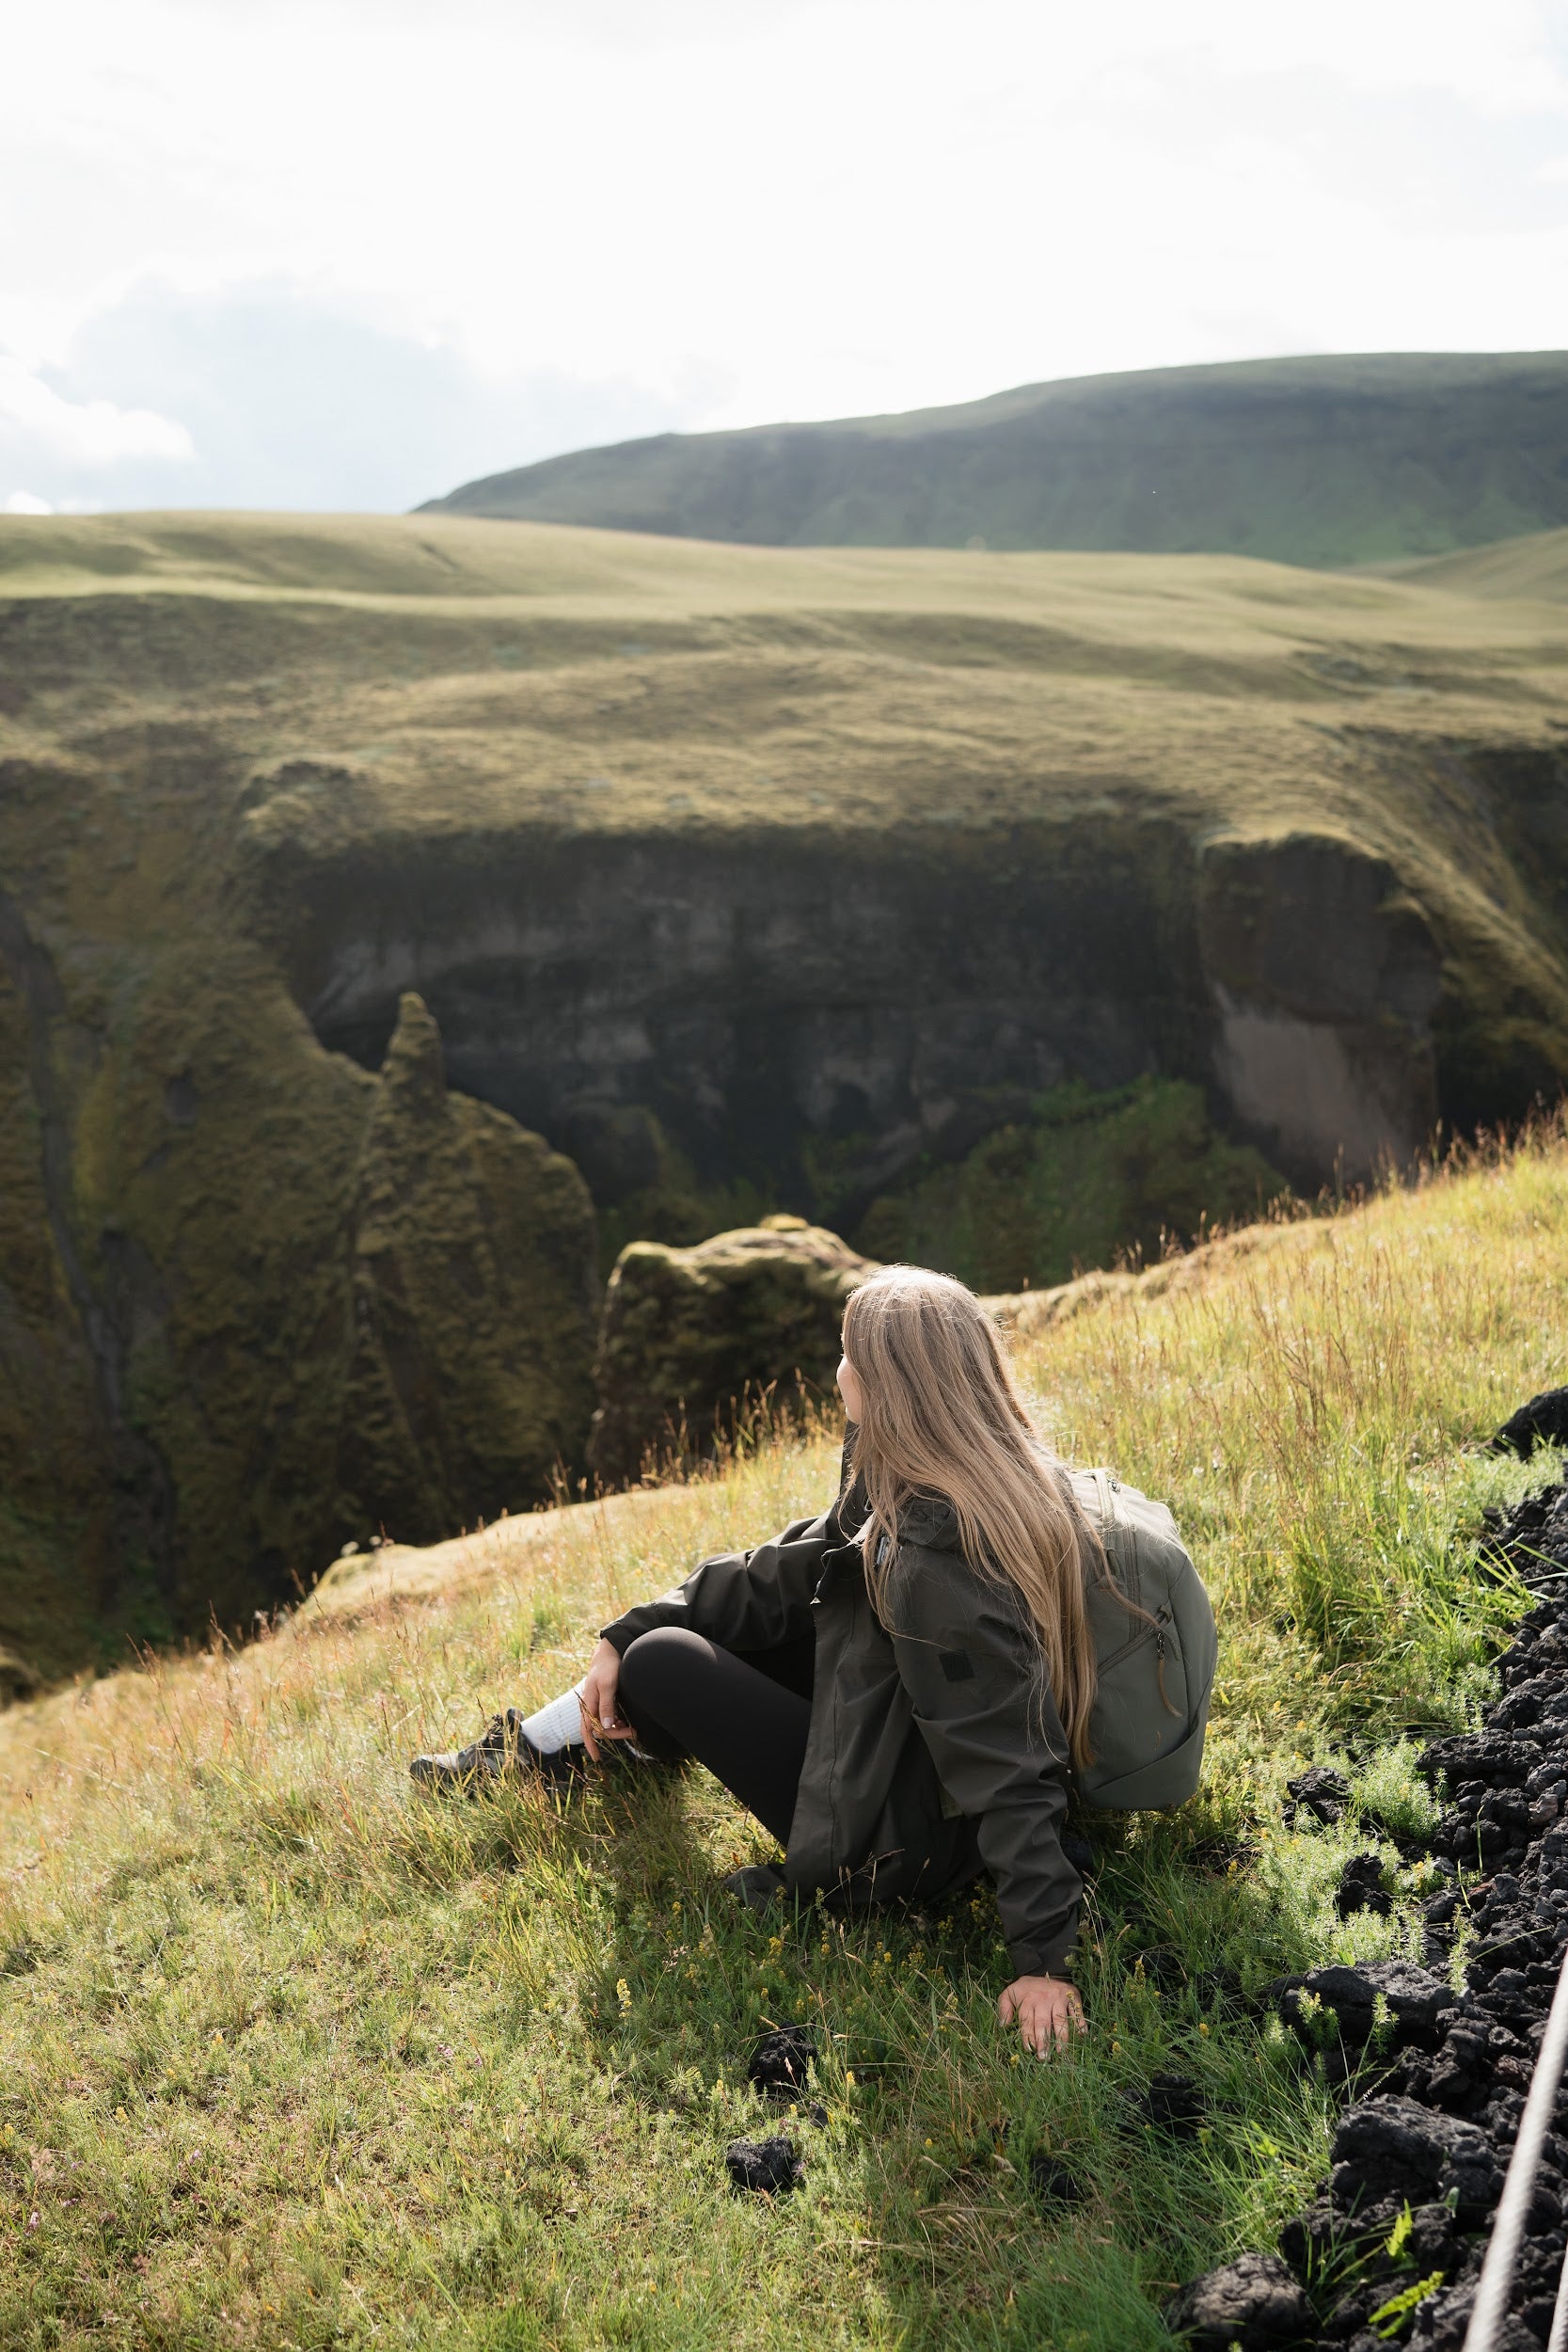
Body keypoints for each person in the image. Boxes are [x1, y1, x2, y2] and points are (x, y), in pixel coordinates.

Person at [411, 1263, 1124, 2056]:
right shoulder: (947, 1467)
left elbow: (1005, 1759)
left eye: (849, 1354)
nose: (837, 1370)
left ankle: (564, 1744)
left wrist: (1045, 1960)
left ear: (890, 1384)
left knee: (666, 1665)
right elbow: (798, 1569)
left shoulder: (937, 1560)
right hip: (899, 1744)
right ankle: (544, 1746)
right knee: (683, 1636)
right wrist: (625, 1626)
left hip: (902, 1837)